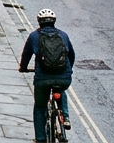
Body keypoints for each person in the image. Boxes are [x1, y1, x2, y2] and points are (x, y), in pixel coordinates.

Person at [20, 9, 76, 143]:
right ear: (54, 21)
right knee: (61, 90)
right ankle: (65, 117)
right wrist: (68, 70)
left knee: (40, 107)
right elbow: (71, 55)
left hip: (42, 79)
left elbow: (26, 54)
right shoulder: (63, 35)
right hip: (64, 77)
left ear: (39, 22)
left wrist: (23, 68)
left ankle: (40, 139)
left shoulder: (34, 36)